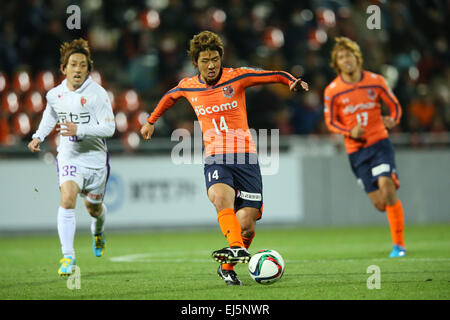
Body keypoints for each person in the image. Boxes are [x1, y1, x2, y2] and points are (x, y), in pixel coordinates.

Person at [140, 30, 308, 285]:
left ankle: (228, 265)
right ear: (195, 62)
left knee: (248, 225)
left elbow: (271, 74)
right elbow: (169, 97)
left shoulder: (236, 77)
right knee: (220, 197)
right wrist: (151, 120)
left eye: (215, 59)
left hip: (245, 158)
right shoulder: (188, 85)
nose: (211, 65)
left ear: (221, 58)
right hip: (216, 156)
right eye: (205, 60)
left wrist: (291, 81)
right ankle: (235, 246)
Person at [28, 38, 115, 275]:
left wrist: (80, 130)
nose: (78, 69)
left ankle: (98, 232)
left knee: (93, 209)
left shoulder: (98, 95)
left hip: (96, 160)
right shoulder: (55, 95)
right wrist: (38, 136)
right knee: (67, 198)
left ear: (88, 69)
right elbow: (50, 116)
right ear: (63, 68)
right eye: (73, 64)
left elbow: (109, 129)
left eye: (83, 65)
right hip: (70, 157)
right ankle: (68, 257)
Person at [323, 37, 406, 258]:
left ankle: (399, 246)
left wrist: (393, 120)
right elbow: (331, 122)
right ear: (337, 63)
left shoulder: (376, 81)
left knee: (387, 188)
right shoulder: (332, 91)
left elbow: (395, 106)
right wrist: (349, 132)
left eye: (349, 55)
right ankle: (388, 182)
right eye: (341, 57)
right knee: (380, 204)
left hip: (379, 143)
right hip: (356, 152)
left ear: (357, 58)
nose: (346, 59)